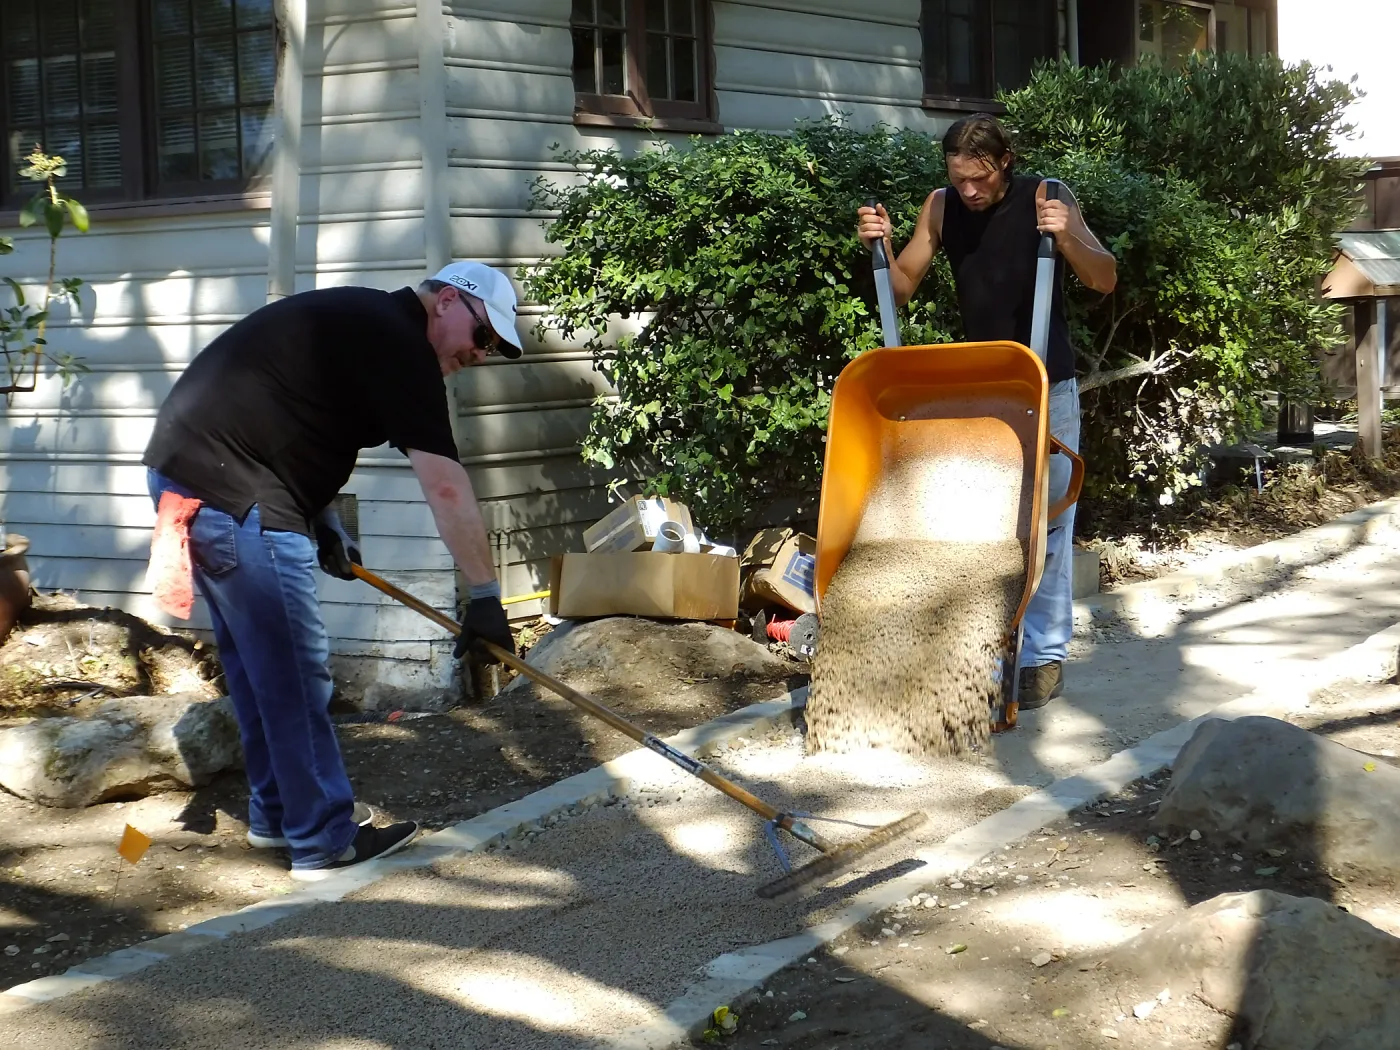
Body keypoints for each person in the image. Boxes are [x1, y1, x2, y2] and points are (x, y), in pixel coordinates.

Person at [142, 262, 522, 880]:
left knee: (259, 668)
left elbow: (290, 416)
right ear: (449, 301)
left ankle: (277, 816)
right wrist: (484, 596)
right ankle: (324, 841)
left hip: (197, 476)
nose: (480, 354)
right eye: (482, 338)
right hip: (235, 495)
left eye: (493, 350)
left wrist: (323, 519)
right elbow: (446, 487)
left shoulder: (362, 320)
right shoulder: (401, 345)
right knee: (294, 673)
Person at [856, 115, 1117, 711]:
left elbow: (1104, 279)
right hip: (983, 387)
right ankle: (988, 649)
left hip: (1048, 382)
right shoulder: (941, 207)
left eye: (979, 178)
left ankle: (1042, 658)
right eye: (959, 178)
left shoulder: (1046, 196)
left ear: (1005, 161)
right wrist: (881, 245)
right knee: (988, 525)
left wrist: (1067, 234)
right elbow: (899, 288)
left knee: (1046, 523)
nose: (969, 191)